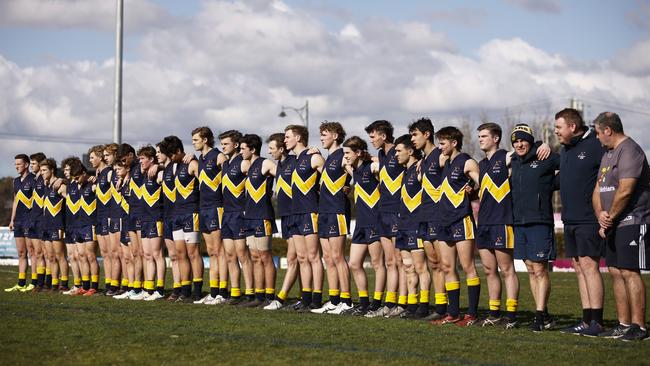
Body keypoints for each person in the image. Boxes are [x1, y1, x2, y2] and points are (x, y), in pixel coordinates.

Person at [593, 111, 649, 341]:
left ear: (608, 130)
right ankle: (623, 324)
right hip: (612, 223)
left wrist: (611, 216)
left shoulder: (630, 151)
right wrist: (601, 216)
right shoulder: (607, 154)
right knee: (615, 272)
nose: (597, 137)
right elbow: (598, 190)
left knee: (629, 272)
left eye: (598, 132)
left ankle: (640, 327)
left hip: (633, 221)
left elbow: (626, 189)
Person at [554, 108, 606, 336]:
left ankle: (597, 321)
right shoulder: (565, 149)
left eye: (558, 127)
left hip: (588, 219)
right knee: (578, 268)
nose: (555, 132)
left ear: (573, 127)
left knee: (589, 267)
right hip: (570, 219)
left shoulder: (596, 145)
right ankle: (586, 321)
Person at [510, 124, 559, 332]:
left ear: (531, 141)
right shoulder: (513, 161)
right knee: (530, 269)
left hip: (540, 222)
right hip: (519, 224)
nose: (519, 144)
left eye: (523, 140)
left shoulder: (544, 156)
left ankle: (538, 316)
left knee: (540, 269)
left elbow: (569, 164)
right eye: (516, 141)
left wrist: (545, 144)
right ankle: (544, 313)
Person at [430, 127, 481, 326]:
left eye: (443, 143)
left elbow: (482, 184)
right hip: (444, 222)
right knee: (447, 267)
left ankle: (472, 315)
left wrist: (474, 190)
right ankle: (453, 314)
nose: (440, 147)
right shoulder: (446, 162)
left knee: (468, 266)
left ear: (454, 143)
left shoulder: (467, 161)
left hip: (461, 220)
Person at [474, 123, 521, 328]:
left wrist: (542, 144)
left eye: (484, 136)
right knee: (488, 269)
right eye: (479, 136)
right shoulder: (482, 164)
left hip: (502, 221)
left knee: (506, 269)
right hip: (483, 223)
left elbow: (527, 149)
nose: (480, 139)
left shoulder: (506, 156)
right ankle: (494, 313)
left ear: (495, 138)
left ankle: (511, 316)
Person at [312, 122, 353, 315]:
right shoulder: (327, 158)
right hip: (324, 212)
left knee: (337, 257)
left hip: (337, 211)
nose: (321, 138)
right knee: (328, 258)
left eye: (324, 134)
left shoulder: (344, 154)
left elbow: (360, 169)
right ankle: (334, 300)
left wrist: (352, 186)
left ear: (335, 136)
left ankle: (347, 301)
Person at [408, 118, 447, 320]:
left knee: (444, 263)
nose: (412, 139)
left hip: (439, 218)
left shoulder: (441, 155)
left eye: (415, 135)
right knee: (433, 264)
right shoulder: (423, 161)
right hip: (424, 217)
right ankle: (439, 305)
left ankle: (446, 308)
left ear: (427, 134)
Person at [342, 136, 386, 316]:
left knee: (377, 263)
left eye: (347, 153)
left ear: (358, 152)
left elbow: (383, 164)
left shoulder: (372, 167)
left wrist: (374, 158)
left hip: (375, 223)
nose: (345, 157)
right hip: (360, 224)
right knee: (354, 263)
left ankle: (377, 303)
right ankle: (364, 303)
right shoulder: (355, 170)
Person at [364, 120, 403, 318]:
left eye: (373, 136)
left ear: (384, 136)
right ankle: (389, 304)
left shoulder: (400, 150)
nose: (371, 140)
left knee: (400, 260)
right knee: (389, 261)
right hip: (383, 211)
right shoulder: (380, 154)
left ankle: (403, 303)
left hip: (398, 212)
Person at [285, 124, 326, 311]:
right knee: (301, 257)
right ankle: (306, 297)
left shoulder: (314, 157)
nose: (285, 140)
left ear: (298, 138)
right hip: (295, 213)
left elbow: (331, 180)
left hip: (310, 212)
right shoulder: (293, 160)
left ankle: (317, 299)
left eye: (287, 137)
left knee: (313, 256)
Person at [159, 135, 203, 302]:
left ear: (178, 151)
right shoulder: (172, 166)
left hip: (191, 213)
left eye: (171, 154)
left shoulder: (191, 163)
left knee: (193, 253)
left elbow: (204, 182)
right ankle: (185, 291)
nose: (170, 158)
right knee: (180, 253)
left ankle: (197, 292)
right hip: (177, 214)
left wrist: (195, 157)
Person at [191, 127, 229, 305]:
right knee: (212, 252)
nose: (193, 143)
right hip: (203, 208)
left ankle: (223, 292)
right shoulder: (201, 158)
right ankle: (213, 293)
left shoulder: (218, 155)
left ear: (205, 140)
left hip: (216, 207)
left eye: (196, 140)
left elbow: (231, 171)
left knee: (220, 252)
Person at [240, 134, 278, 307]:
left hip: (263, 216)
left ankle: (270, 296)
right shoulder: (248, 166)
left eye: (243, 148)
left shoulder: (266, 163)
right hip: (249, 217)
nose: (241, 152)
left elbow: (285, 174)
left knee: (265, 257)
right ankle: (259, 296)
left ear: (253, 149)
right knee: (254, 257)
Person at [219, 130, 255, 304]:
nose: (223, 147)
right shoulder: (225, 164)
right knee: (230, 255)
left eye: (226, 144)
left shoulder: (244, 162)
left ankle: (250, 293)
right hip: (226, 215)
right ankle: (235, 292)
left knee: (242, 255)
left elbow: (259, 181)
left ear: (235, 145)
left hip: (240, 214)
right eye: (222, 144)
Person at [264, 133, 299, 310]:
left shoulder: (295, 161)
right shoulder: (281, 164)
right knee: (297, 258)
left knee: (293, 258)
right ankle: (303, 296)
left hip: (298, 215)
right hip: (285, 215)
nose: (270, 152)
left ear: (281, 148)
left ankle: (281, 297)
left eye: (272, 148)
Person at [136, 145, 166, 301]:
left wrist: (158, 166)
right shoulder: (143, 173)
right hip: (144, 219)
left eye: (142, 158)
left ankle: (160, 289)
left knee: (157, 254)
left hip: (156, 218)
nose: (140, 161)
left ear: (151, 159)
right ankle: (149, 289)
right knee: (147, 255)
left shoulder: (158, 172)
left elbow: (168, 168)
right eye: (139, 158)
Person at [5, 154, 35, 292]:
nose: (16, 166)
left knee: (32, 252)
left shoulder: (34, 179)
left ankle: (34, 282)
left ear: (27, 164)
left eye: (19, 164)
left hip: (30, 221)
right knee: (21, 252)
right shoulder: (15, 181)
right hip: (18, 221)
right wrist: (12, 219)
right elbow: (16, 200)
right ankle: (21, 282)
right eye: (15, 164)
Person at [156, 143, 182, 301]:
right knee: (172, 255)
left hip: (177, 215)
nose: (158, 155)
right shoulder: (163, 171)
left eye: (160, 152)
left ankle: (182, 288)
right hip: (166, 216)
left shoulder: (176, 166)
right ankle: (176, 287)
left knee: (179, 254)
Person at [40, 158, 69, 292]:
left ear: (52, 170)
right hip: (46, 225)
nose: (42, 173)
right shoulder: (46, 185)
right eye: (41, 170)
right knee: (50, 257)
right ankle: (54, 283)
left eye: (44, 170)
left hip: (57, 225)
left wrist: (63, 180)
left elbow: (71, 199)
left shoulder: (60, 185)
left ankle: (64, 283)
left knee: (60, 256)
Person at [61, 157, 83, 295]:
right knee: (71, 256)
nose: (65, 172)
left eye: (68, 169)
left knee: (80, 255)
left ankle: (86, 285)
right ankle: (76, 284)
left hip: (80, 224)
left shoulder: (82, 183)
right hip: (69, 224)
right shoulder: (67, 185)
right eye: (65, 169)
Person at [28, 152, 48, 291]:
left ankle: (47, 283)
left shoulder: (45, 179)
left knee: (45, 253)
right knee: (36, 253)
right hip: (33, 220)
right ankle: (38, 282)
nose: (31, 166)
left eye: (34, 163)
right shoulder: (34, 179)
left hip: (43, 220)